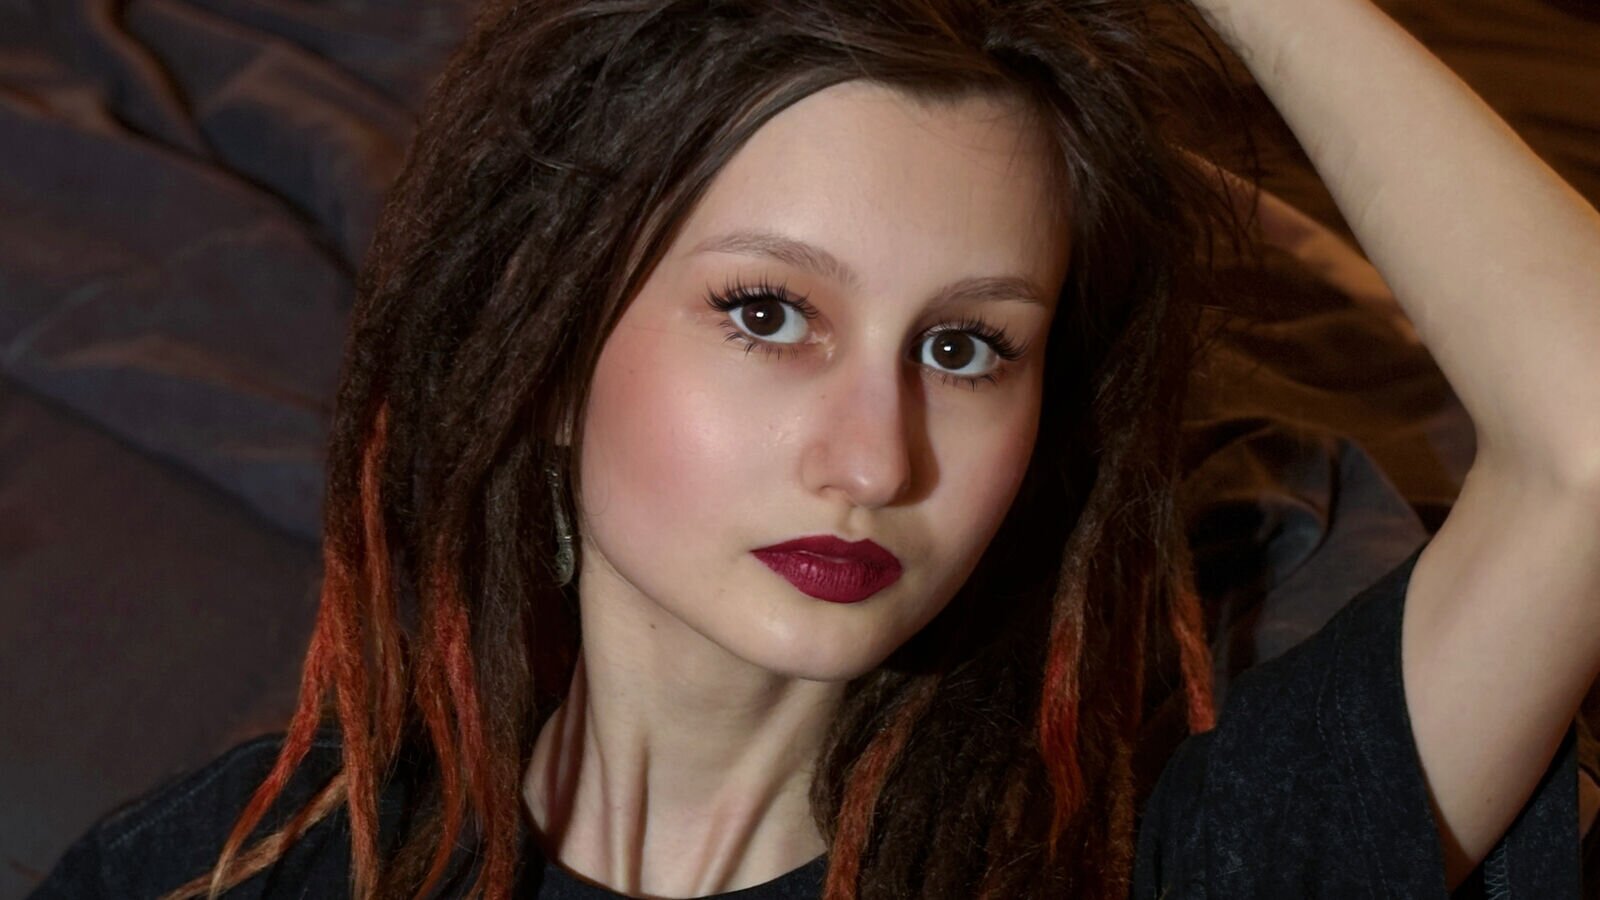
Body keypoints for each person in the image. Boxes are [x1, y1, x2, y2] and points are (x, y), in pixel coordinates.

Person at [29, 0, 1600, 897]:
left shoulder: (1169, 862)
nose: (874, 459)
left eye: (965, 347)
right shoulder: (243, 865)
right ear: (550, 354)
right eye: (769, 313)